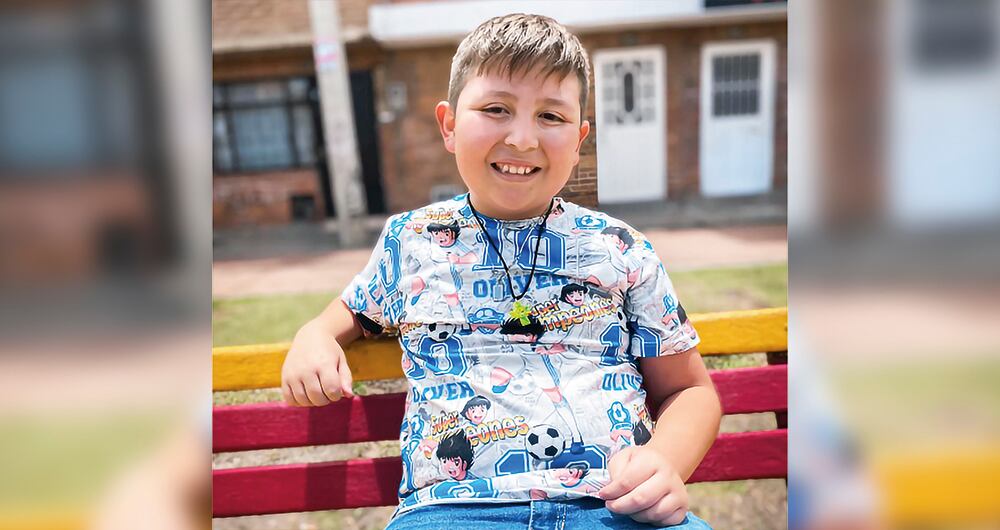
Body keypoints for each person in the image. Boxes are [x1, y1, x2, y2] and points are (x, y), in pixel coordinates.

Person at [281, 13, 720, 529]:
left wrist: (664, 462)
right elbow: (353, 312)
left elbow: (689, 390)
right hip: (454, 510)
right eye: (496, 109)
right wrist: (315, 334)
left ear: (578, 140)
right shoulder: (413, 239)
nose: (522, 138)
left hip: (613, 505)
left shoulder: (620, 247)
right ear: (448, 125)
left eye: (551, 118)